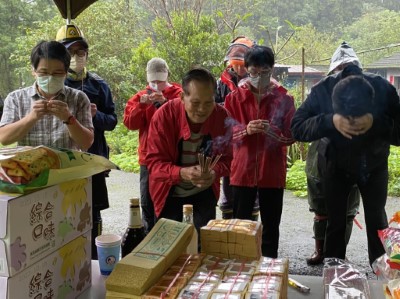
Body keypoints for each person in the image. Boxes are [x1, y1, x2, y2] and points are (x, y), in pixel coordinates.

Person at [291, 59, 400, 266]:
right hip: (335, 163)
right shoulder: (323, 89)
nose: (352, 121)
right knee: (336, 222)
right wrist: (329, 121)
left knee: (377, 219)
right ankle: (334, 271)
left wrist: (377, 123)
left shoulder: (384, 90)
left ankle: (381, 274)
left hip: (374, 164)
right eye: (347, 116)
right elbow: (296, 128)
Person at [224, 45, 296, 258]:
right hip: (242, 170)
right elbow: (224, 134)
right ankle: (240, 267)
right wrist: (245, 130)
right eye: (254, 71)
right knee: (240, 226)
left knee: (271, 227)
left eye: (265, 71)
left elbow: (293, 134)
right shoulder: (234, 98)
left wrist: (275, 134)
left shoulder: (284, 98)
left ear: (272, 70)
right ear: (246, 69)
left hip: (272, 172)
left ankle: (269, 272)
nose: (259, 75)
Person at [146, 67, 232, 239]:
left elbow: (229, 159)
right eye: (195, 103)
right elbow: (154, 165)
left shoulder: (221, 117)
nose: (202, 109)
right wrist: (182, 173)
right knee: (169, 247)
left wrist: (214, 172)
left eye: (209, 103)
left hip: (203, 194)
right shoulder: (164, 116)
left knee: (202, 246)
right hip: (168, 193)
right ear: (182, 97)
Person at [56, 24, 118, 259]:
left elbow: (112, 120)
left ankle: (94, 261)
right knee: (63, 214)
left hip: (93, 160)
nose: (76, 57)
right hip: (63, 164)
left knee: (93, 215)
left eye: (81, 52)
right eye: (71, 52)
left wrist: (95, 116)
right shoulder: (55, 86)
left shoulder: (98, 85)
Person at [305, 42, 362, 265]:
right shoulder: (321, 91)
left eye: (348, 67)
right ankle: (320, 250)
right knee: (321, 206)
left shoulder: (367, 92)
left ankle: (339, 251)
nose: (343, 72)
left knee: (347, 209)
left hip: (354, 156)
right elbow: (305, 123)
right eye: (340, 68)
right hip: (322, 154)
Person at [123, 57, 182, 235]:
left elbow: (185, 121)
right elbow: (130, 124)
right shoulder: (140, 97)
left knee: (171, 202)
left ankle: (172, 239)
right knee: (147, 202)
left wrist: (165, 104)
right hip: (147, 159)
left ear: (167, 78)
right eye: (153, 81)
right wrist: (142, 105)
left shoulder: (178, 94)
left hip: (173, 158)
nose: (156, 85)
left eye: (160, 81)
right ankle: (148, 237)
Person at [0, 40, 93, 151]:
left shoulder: (79, 98)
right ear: (33, 71)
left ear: (66, 72)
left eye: (57, 73)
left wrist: (68, 117)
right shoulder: (15, 98)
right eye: (43, 72)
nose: (50, 77)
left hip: (67, 167)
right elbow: (4, 138)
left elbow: (86, 143)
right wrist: (31, 117)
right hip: (29, 166)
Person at [215, 36, 260, 221]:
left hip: (251, 142)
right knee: (228, 178)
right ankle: (228, 220)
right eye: (235, 64)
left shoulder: (258, 81)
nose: (239, 69)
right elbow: (214, 106)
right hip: (228, 139)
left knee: (251, 182)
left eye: (242, 64)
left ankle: (250, 225)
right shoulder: (222, 82)